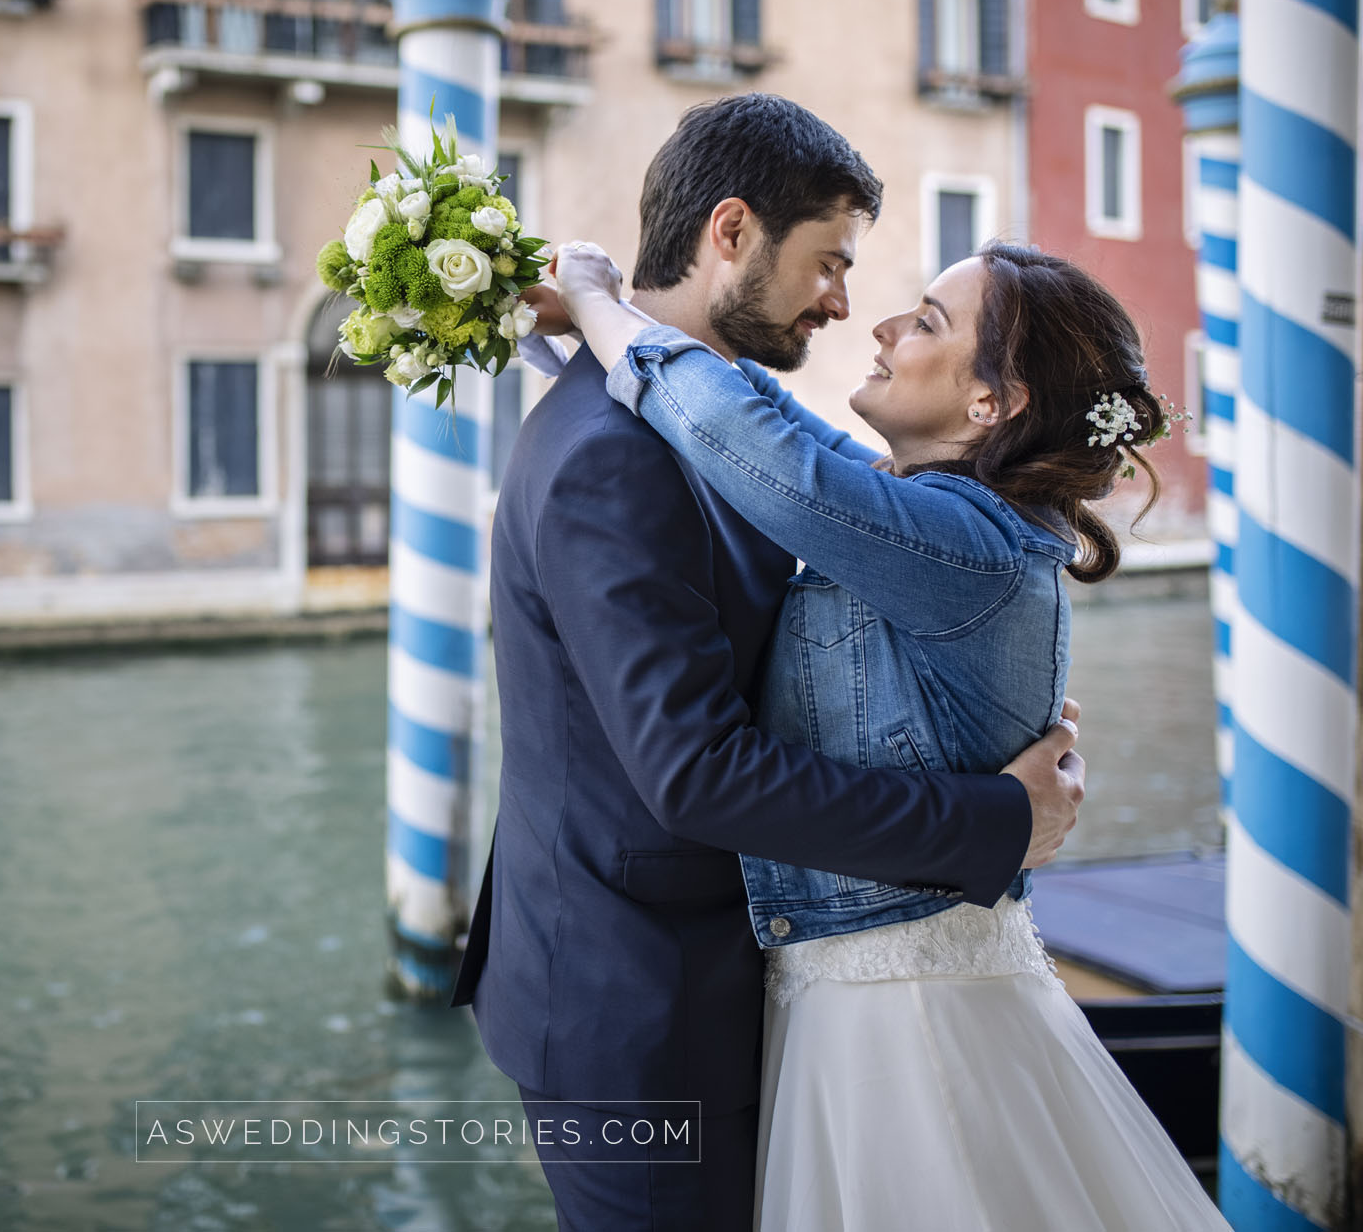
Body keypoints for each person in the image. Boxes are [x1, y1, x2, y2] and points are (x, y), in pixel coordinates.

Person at [447, 93, 1087, 1229]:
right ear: (730, 232)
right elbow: (696, 775)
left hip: (730, 977)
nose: (845, 304)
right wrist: (994, 817)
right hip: (632, 1010)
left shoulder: (712, 422)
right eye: (828, 262)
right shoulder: (611, 453)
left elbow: (804, 477)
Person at [545, 231, 1230, 1230]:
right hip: (860, 996)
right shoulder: (941, 514)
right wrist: (607, 326)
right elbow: (775, 424)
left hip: (909, 1019)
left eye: (925, 321)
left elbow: (757, 447)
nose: (879, 324)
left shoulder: (966, 541)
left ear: (990, 403)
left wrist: (599, 301)